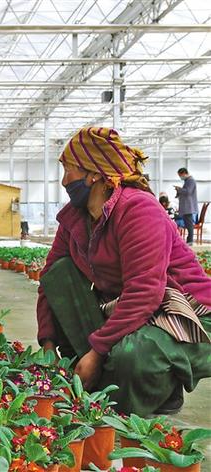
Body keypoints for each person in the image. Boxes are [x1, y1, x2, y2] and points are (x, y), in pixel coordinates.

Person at [36, 127, 211, 416]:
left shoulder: (138, 209)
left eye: (68, 170)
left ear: (94, 174)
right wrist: (48, 341)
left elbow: (145, 292)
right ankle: (117, 375)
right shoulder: (75, 219)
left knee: (131, 357)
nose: (64, 180)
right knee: (61, 272)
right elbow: (49, 280)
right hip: (138, 309)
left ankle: (162, 387)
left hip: (186, 312)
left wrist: (97, 352)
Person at [175, 168, 198, 245]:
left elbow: (188, 192)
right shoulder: (187, 181)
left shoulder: (191, 180)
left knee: (189, 224)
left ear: (184, 173)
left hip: (188, 207)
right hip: (186, 207)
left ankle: (190, 241)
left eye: (180, 175)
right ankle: (189, 240)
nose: (180, 177)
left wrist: (179, 189)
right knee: (188, 224)